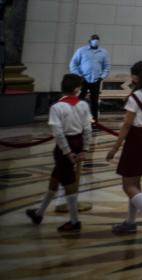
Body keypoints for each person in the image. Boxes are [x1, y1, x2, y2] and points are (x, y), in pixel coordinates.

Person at [106, 61, 142, 243]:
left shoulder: (135, 97)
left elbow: (126, 125)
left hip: (135, 141)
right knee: (135, 181)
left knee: (127, 184)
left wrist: (115, 148)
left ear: (135, 77)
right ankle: (131, 222)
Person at [25, 73, 92, 232]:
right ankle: (39, 213)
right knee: (55, 179)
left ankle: (74, 221)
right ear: (76, 90)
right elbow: (88, 129)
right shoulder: (83, 105)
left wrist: (67, 152)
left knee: (68, 182)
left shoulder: (56, 107)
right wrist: (84, 149)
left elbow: (58, 133)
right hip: (77, 142)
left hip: (65, 146)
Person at [68, 34, 110, 120]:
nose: (95, 41)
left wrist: (101, 77)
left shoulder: (103, 52)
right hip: (83, 80)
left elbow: (107, 66)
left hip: (96, 80)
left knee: (94, 102)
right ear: (89, 41)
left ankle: (94, 121)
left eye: (97, 40)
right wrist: (79, 75)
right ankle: (75, 118)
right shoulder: (81, 50)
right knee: (79, 100)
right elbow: (73, 64)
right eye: (93, 39)